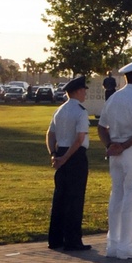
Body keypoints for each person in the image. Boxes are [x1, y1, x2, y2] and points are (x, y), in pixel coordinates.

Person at [97, 58, 132, 259]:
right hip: (131, 151)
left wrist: (110, 145)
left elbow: (101, 127)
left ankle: (113, 244)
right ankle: (127, 245)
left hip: (115, 152)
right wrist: (124, 146)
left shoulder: (113, 99)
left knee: (117, 196)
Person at [46, 75, 92, 252]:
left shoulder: (60, 110)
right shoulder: (80, 111)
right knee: (75, 198)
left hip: (61, 152)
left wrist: (54, 154)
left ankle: (56, 238)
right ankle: (72, 239)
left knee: (60, 197)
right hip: (75, 156)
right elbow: (80, 139)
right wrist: (66, 158)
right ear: (78, 91)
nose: (85, 94)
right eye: (83, 91)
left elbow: (50, 134)